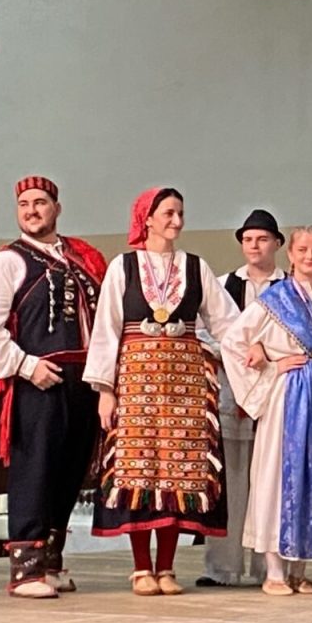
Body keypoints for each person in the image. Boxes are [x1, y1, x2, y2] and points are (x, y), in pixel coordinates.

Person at [85, 187, 250, 596]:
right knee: (139, 471)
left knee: (180, 474)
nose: (176, 221)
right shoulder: (124, 267)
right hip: (135, 383)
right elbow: (106, 329)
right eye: (168, 213)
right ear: (147, 218)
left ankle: (167, 568)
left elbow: (228, 322)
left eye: (180, 213)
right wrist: (105, 390)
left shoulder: (195, 266)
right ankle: (142, 567)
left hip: (185, 385)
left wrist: (253, 350)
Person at [0, 175, 107, 600]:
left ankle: (51, 562)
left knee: (70, 471)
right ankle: (25, 570)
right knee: (35, 470)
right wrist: (26, 366)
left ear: (56, 208)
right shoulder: (8, 262)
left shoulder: (82, 259)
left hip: (82, 380)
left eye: (40, 202)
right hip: (39, 380)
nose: (31, 210)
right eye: (24, 204)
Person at [231, 227, 312, 591]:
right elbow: (235, 340)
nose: (309, 256)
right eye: (302, 249)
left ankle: (298, 569)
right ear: (290, 253)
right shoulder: (275, 299)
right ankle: (274, 570)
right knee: (279, 475)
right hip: (289, 395)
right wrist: (272, 366)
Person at [199, 209, 286, 588]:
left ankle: (271, 567)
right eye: (248, 239)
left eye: (262, 239)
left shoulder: (289, 287)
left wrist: (269, 355)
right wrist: (236, 355)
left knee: (272, 481)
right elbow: (203, 332)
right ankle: (222, 567)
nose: (254, 246)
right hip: (231, 391)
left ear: (277, 244)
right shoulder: (223, 285)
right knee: (229, 482)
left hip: (279, 391)